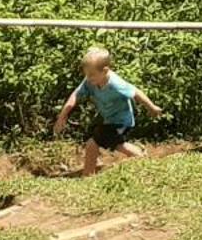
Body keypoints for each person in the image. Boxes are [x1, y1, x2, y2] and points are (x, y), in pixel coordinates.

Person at [52, 46, 164, 176]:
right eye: (86, 75)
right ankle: (91, 173)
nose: (88, 78)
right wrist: (62, 116)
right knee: (102, 142)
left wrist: (152, 107)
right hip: (108, 120)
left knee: (95, 143)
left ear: (105, 71)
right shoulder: (90, 80)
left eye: (91, 75)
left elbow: (135, 92)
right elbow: (75, 95)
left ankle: (89, 174)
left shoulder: (116, 84)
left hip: (122, 121)